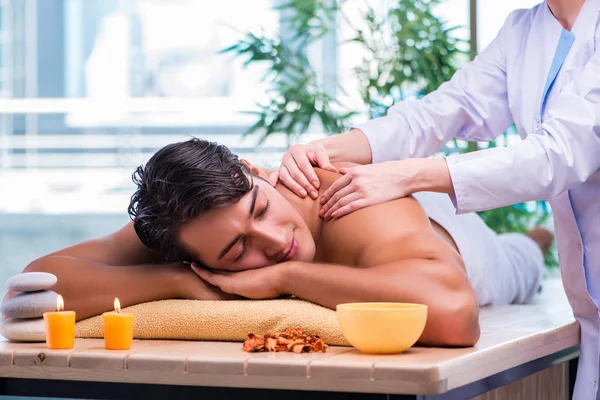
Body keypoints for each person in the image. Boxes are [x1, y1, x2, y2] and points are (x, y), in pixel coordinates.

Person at [272, 0, 599, 398]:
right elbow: (437, 114)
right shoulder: (526, 30)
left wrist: (408, 175)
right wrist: (316, 150)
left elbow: (559, 154)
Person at [5, 138, 552, 347]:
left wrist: (285, 278)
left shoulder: (348, 202)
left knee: (523, 255)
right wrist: (175, 282)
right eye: (235, 252)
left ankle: (541, 233)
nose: (274, 239)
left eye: (260, 207)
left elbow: (456, 315)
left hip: (471, 248)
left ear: (253, 171)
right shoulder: (190, 226)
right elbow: (38, 284)